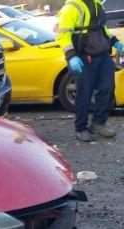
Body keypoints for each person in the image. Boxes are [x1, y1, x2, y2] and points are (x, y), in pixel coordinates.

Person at [57, 0, 124, 141]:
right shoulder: (71, 8)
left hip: (103, 55)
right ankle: (80, 128)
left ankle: (98, 123)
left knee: (107, 88)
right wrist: (71, 56)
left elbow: (101, 28)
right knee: (84, 93)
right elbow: (63, 35)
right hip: (83, 57)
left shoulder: (97, 4)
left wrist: (114, 41)